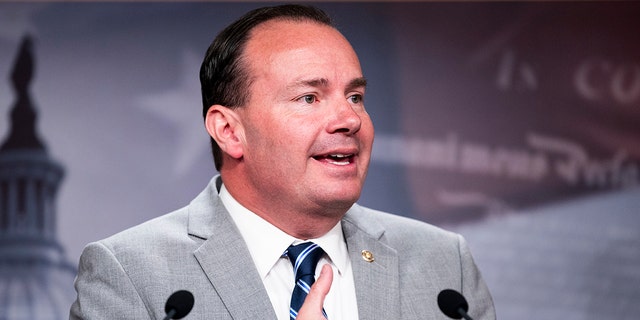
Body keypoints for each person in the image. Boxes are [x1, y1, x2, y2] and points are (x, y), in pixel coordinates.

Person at [70, 4, 496, 320]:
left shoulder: (443, 266)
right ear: (229, 131)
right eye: (309, 97)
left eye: (355, 97)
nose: (349, 119)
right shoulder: (131, 276)